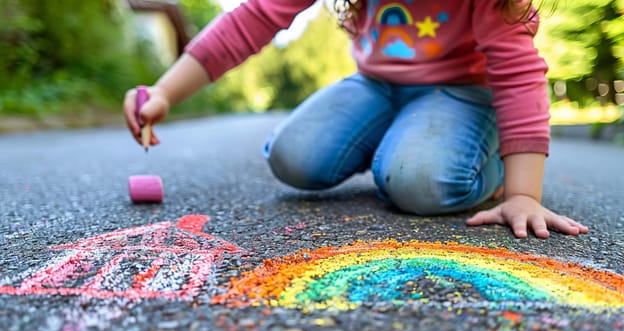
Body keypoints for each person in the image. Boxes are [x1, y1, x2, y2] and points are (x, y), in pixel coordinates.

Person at [123, 0, 588, 239]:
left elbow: (518, 77)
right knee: (294, 159)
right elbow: (254, 18)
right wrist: (165, 90)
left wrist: (525, 193)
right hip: (377, 85)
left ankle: (491, 170)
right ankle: (402, 141)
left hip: (462, 93)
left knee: (421, 184)